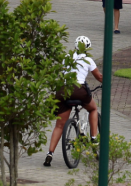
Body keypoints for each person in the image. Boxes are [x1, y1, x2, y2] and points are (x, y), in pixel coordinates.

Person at [44, 36, 103, 167]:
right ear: (87, 48)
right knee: (93, 109)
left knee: (59, 125)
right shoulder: (88, 60)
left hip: (63, 91)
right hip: (79, 90)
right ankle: (94, 139)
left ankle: (50, 153)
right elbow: (99, 77)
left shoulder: (66, 58)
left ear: (75, 46)